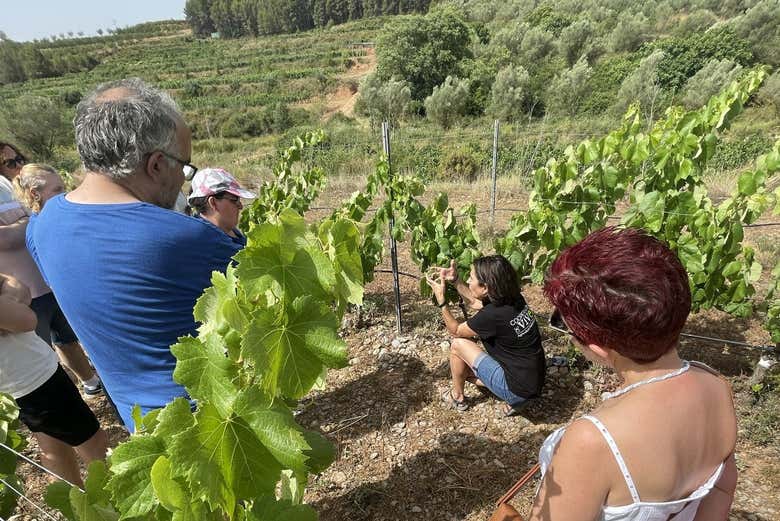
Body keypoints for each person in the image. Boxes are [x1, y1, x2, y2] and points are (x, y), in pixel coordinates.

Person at [26, 78, 240, 430]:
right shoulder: (185, 238)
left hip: (137, 422)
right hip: (211, 420)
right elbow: (267, 285)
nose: (185, 180)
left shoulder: (42, 225)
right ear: (156, 164)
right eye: (184, 166)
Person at [529, 227, 736, 520]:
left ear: (599, 347)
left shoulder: (593, 441)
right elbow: (721, 493)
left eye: (565, 324)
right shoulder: (716, 386)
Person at [1, 150, 102, 395]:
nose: (18, 165)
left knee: (67, 340)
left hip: (50, 284)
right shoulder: (28, 208)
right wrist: (32, 219)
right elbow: (4, 239)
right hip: (24, 293)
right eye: (10, 162)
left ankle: (89, 384)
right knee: (42, 351)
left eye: (20, 159)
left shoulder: (18, 195)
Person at [0, 273, 107, 487]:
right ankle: (112, 503)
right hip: (33, 380)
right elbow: (28, 320)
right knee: (94, 443)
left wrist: (11, 299)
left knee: (53, 442)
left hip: (21, 381)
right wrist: (12, 302)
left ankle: (79, 507)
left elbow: (17, 285)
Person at [426, 255, 545, 416]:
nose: (468, 280)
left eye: (471, 278)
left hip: (517, 390)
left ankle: (457, 396)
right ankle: (515, 395)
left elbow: (455, 330)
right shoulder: (514, 299)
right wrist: (455, 281)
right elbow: (475, 303)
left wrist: (442, 301)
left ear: (486, 288)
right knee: (466, 367)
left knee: (458, 344)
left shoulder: (492, 315)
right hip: (535, 381)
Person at [186, 167, 255, 248]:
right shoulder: (212, 246)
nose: (240, 206)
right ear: (213, 203)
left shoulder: (225, 227)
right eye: (234, 200)